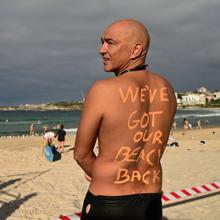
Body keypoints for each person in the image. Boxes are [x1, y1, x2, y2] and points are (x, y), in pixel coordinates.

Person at [74, 19, 177, 220]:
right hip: (151, 200)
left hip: (109, 201)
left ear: (136, 50)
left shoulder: (103, 90)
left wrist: (100, 174)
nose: (101, 49)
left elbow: (81, 154)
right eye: (102, 42)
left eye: (110, 43)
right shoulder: (167, 89)